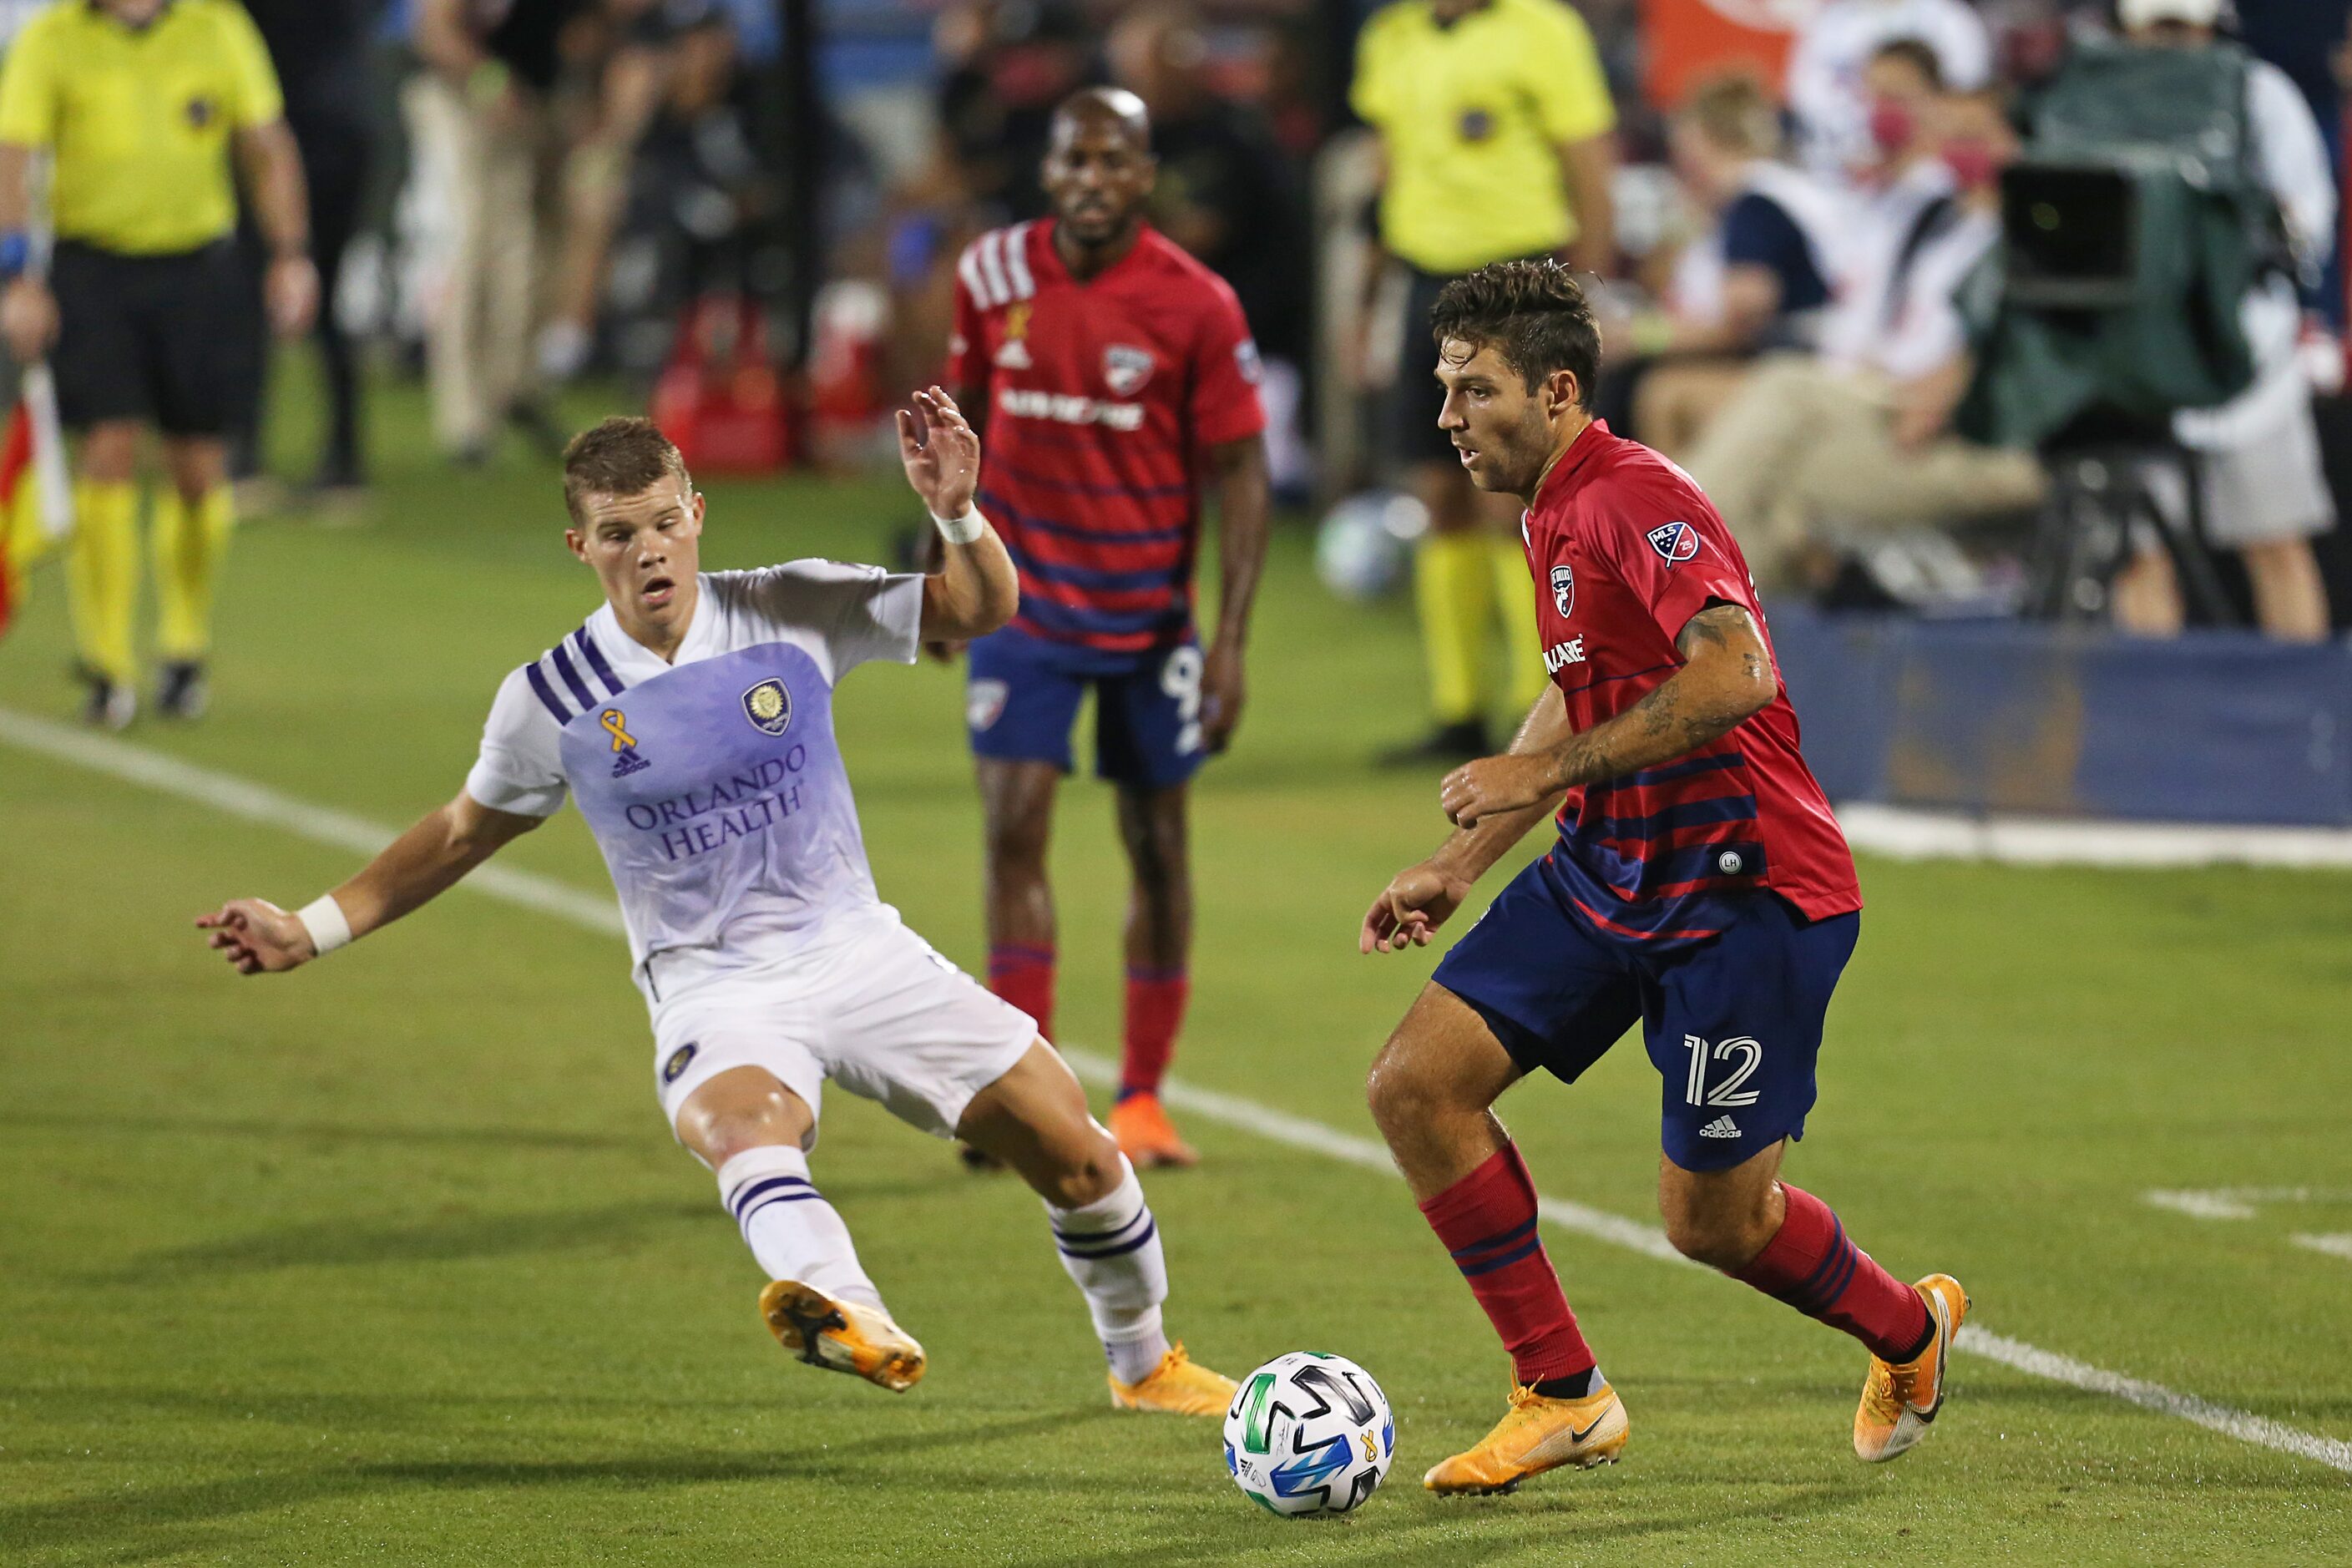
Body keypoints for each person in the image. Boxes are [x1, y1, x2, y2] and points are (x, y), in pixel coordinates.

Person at [194, 399, 1239, 1417]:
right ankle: (851, 1312)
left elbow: (981, 610)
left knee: (1082, 1157)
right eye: (617, 534)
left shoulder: (793, 606)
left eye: (662, 523)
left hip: (856, 948)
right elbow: (466, 830)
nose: (648, 552)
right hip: (713, 986)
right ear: (580, 545)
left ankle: (1142, 1365)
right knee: (743, 1126)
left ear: (697, 515)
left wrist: (959, 514)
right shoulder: (550, 701)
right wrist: (311, 926)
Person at [1358, 260, 1966, 1495]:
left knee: (1714, 1225)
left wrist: (1549, 775)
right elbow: (1578, 685)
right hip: (1610, 866)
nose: (1448, 416)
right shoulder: (1547, 505)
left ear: (1560, 386)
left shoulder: (1635, 497)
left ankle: (1909, 1328)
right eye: (1444, 388)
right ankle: (1562, 1394)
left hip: (1744, 897)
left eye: (1475, 390)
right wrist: (1458, 864)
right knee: (1417, 1087)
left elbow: (1735, 671)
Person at [941, 89, 1272, 1170]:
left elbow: (1241, 472)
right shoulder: (991, 276)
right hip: (1021, 602)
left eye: (1113, 161)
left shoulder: (1196, 304)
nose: (1092, 180)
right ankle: (1024, 1091)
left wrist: (1227, 641)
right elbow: (958, 423)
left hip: (1146, 617)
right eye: (1073, 160)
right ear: (1049, 171)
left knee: (1155, 845)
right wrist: (941, 557)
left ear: (1144, 175)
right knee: (1012, 826)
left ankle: (1142, 1097)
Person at [0, 0, 317, 727]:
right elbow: (14, 156)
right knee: (107, 448)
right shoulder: (54, 36)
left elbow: (266, 144)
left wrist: (291, 254)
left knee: (198, 463)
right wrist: (17, 276)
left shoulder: (216, 26)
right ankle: (108, 661)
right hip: (93, 269)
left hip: (196, 268)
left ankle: (183, 643)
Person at [1348, 0, 1617, 764]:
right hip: (1424, 284)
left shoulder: (1541, 29)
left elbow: (1588, 168)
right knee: (1437, 493)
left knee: (1514, 500)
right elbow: (1387, 174)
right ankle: (1458, 711)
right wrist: (1368, 298)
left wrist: (1589, 293)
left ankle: (1541, 708)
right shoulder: (1390, 35)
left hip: (1518, 281)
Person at [1682, 44, 2045, 594]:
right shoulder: (1939, 221)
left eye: (1976, 138)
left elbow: (1963, 369)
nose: (1960, 152)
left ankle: (1665, 556)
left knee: (1782, 398)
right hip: (1879, 384)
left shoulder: (2026, 241)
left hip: (1927, 407)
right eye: (1956, 138)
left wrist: (1932, 394)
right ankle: (1719, 648)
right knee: (1767, 476)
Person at [2104, 0, 2336, 642]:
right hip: (2131, 355)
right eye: (2157, 26)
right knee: (2137, 555)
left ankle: (2297, 718)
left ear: (2212, 24)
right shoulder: (2099, 95)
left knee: (2275, 543)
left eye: (2183, 25)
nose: (2171, 40)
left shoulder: (2259, 95)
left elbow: (2306, 221)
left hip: (2246, 357)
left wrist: (2235, 234)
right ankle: (2158, 720)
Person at [1600, 73, 1845, 458]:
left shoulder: (1755, 205)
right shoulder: (1776, 193)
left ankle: (1681, 515)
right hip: (1814, 351)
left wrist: (1641, 337)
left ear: (1697, 142)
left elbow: (1741, 322)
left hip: (1812, 359)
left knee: (1658, 394)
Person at [407, 0, 577, 463]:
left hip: (538, 99)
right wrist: (490, 82)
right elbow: (433, 30)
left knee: (543, 253)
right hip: (463, 99)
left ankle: (518, 389)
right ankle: (468, 422)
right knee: (479, 249)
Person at [237, 0, 381, 502]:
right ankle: (343, 459)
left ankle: (245, 454)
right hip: (344, 128)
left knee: (256, 291)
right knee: (326, 301)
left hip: (280, 134)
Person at [1786, 0, 1991, 178]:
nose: (1884, 105)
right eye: (1879, 94)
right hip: (1832, 167)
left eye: (1893, 95)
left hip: (1925, 165)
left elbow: (1967, 108)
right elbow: (1803, 96)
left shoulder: (1951, 22)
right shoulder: (1831, 21)